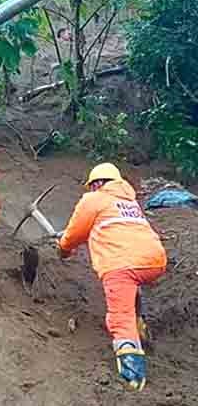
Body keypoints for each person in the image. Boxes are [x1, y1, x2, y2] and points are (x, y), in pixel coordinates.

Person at [57, 163, 168, 391]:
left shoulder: (93, 200)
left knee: (120, 318)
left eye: (91, 186)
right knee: (133, 286)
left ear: (97, 184)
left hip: (121, 264)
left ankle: (133, 376)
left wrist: (63, 249)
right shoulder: (129, 202)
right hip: (155, 261)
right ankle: (140, 323)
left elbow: (74, 234)